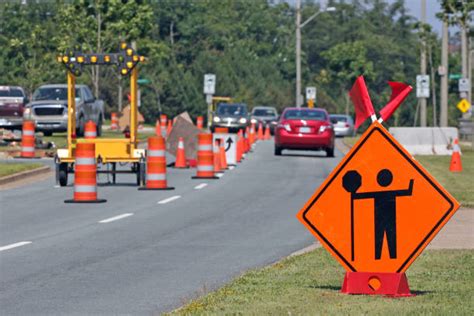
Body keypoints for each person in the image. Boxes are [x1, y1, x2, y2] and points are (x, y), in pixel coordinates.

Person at [353, 169, 414, 260]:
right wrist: (411, 182)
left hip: (385, 220)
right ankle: (384, 256)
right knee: (385, 238)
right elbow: (408, 191)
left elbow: (360, 196)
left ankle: (384, 256)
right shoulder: (391, 193)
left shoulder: (379, 193)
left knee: (387, 238)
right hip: (383, 220)